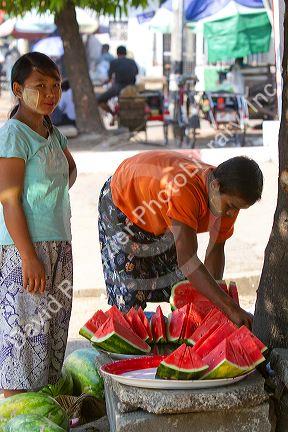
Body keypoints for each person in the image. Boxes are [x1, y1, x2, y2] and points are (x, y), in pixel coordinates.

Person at [98, 151, 263, 329]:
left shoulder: (229, 199)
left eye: (238, 209)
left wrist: (214, 306)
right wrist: (230, 308)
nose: (231, 214)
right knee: (129, 309)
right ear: (215, 186)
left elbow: (215, 250)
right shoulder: (185, 190)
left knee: (182, 290)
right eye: (230, 206)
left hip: (160, 212)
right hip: (123, 202)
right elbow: (188, 260)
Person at [0, 52, 77, 398]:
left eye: (56, 85)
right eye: (40, 86)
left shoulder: (53, 132)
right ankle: (17, 415)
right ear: (18, 89)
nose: (50, 93)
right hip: (25, 249)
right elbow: (9, 198)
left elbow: (69, 170)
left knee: (51, 334)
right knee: (24, 342)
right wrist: (28, 256)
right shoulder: (13, 134)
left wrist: (49, 192)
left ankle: (40, 414)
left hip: (59, 242)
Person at [96, 45, 138, 116]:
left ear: (117, 53)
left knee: (99, 100)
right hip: (132, 87)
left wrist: (103, 83)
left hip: (119, 87)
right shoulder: (132, 61)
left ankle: (113, 114)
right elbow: (136, 72)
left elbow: (109, 79)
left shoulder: (114, 62)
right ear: (126, 53)